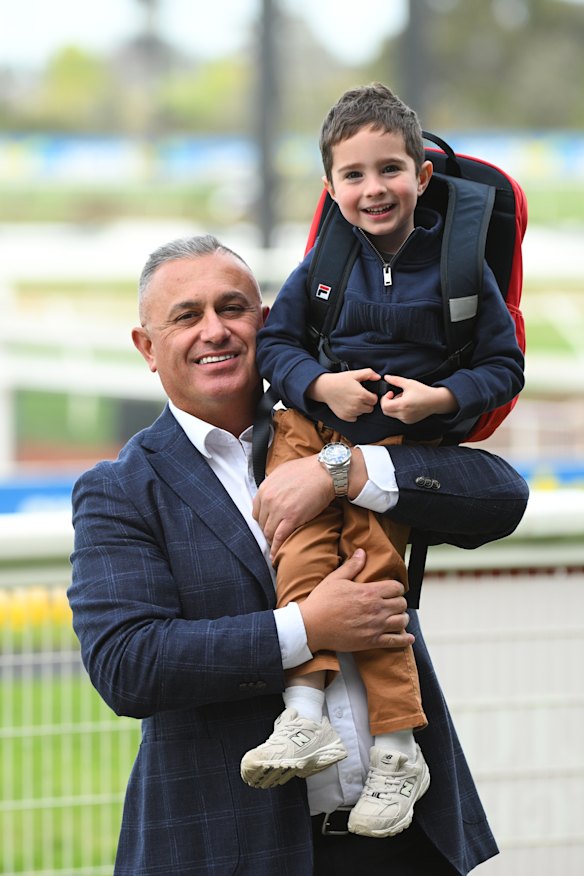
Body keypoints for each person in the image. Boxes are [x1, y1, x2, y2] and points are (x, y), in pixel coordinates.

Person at [68, 234, 528, 875]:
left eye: (233, 309)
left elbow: (501, 499)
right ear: (148, 347)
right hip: (237, 850)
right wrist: (308, 628)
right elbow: (128, 665)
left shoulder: (344, 419)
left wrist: (343, 469)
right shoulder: (121, 489)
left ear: (266, 321)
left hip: (408, 840)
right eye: (186, 316)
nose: (214, 331)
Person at [246, 82, 525, 839]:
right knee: (297, 550)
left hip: (397, 444)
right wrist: (316, 382)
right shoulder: (326, 262)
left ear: (422, 176)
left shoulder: (463, 266)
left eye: (390, 170)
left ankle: (398, 750)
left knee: (372, 579)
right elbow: (276, 345)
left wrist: (440, 401)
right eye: (355, 176)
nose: (374, 189)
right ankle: (302, 713)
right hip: (313, 425)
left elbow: (504, 367)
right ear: (331, 190)